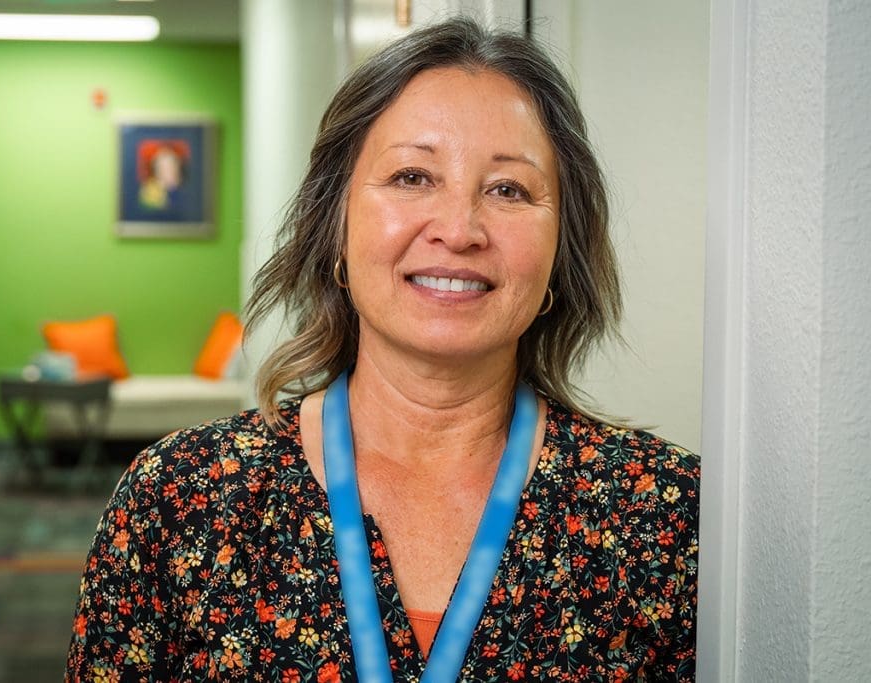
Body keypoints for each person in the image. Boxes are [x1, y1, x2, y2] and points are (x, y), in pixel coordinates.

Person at [65, 17, 699, 682]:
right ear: (336, 224)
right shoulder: (179, 501)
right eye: (412, 176)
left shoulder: (666, 516)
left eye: (508, 189)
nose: (459, 229)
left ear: (560, 247)